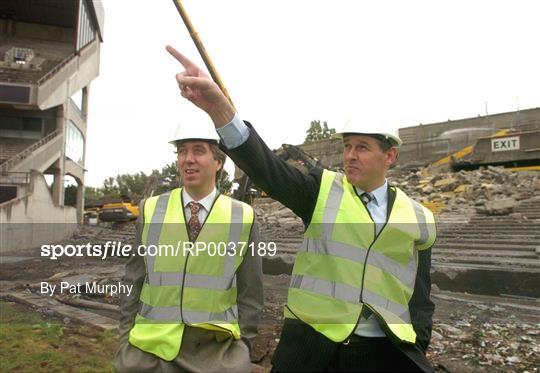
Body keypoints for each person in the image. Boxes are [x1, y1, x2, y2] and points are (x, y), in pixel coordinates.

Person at [166, 46, 437, 372]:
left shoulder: (419, 219)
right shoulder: (321, 190)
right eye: (347, 146)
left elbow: (420, 298)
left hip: (382, 354)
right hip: (311, 350)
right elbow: (266, 167)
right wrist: (219, 109)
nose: (350, 155)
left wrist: (417, 342)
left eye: (362, 147)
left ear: (389, 156)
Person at [114, 119, 263, 372]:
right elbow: (134, 279)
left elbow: (251, 294)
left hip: (215, 354)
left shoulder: (243, 216)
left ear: (218, 162)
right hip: (148, 354)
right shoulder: (151, 210)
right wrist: (124, 343)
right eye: (182, 151)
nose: (188, 159)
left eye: (198, 150)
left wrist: (243, 348)